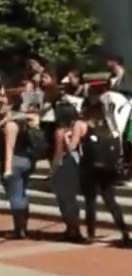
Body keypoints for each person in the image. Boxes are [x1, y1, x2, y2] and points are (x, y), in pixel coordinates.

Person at [66, 95, 132, 245]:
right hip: (107, 168)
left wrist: (65, 137)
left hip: (89, 167)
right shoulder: (107, 123)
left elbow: (72, 147)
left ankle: (90, 234)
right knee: (110, 200)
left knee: (90, 202)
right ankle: (124, 231)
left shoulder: (80, 124)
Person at [1, 98, 38, 239]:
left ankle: (19, 229)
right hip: (26, 160)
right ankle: (22, 227)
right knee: (21, 194)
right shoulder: (20, 121)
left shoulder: (10, 126)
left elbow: (9, 148)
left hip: (13, 162)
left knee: (16, 196)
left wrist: (7, 169)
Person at [50, 99, 84, 242]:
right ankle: (73, 229)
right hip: (76, 166)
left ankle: (72, 229)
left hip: (64, 166)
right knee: (71, 200)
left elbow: (58, 153)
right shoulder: (79, 126)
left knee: (64, 200)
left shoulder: (60, 131)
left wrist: (53, 169)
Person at [104, 54, 132, 184]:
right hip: (116, 117)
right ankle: (121, 173)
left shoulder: (127, 78)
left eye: (108, 61)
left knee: (130, 143)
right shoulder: (111, 79)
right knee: (118, 144)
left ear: (115, 62)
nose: (106, 64)